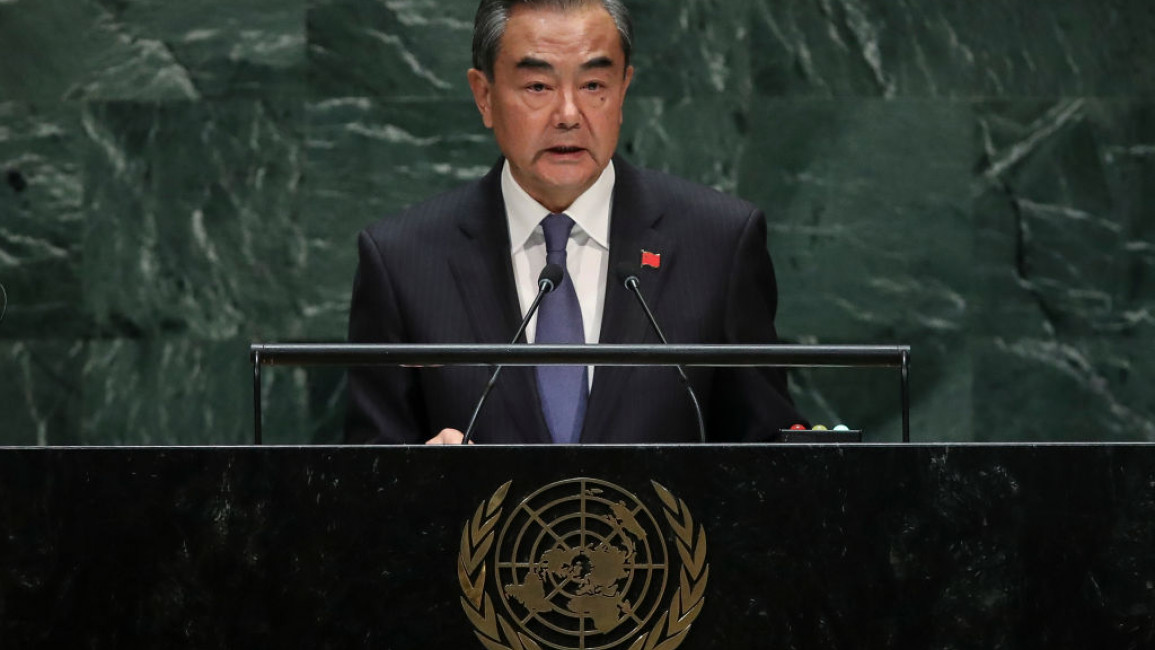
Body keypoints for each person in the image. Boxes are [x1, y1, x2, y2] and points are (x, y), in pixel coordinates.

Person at [344, 0, 805, 445]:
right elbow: (364, 474)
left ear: (623, 90)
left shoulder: (717, 244)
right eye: (537, 87)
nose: (568, 115)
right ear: (484, 96)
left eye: (593, 85)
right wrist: (421, 477)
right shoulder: (404, 261)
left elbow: (768, 453)